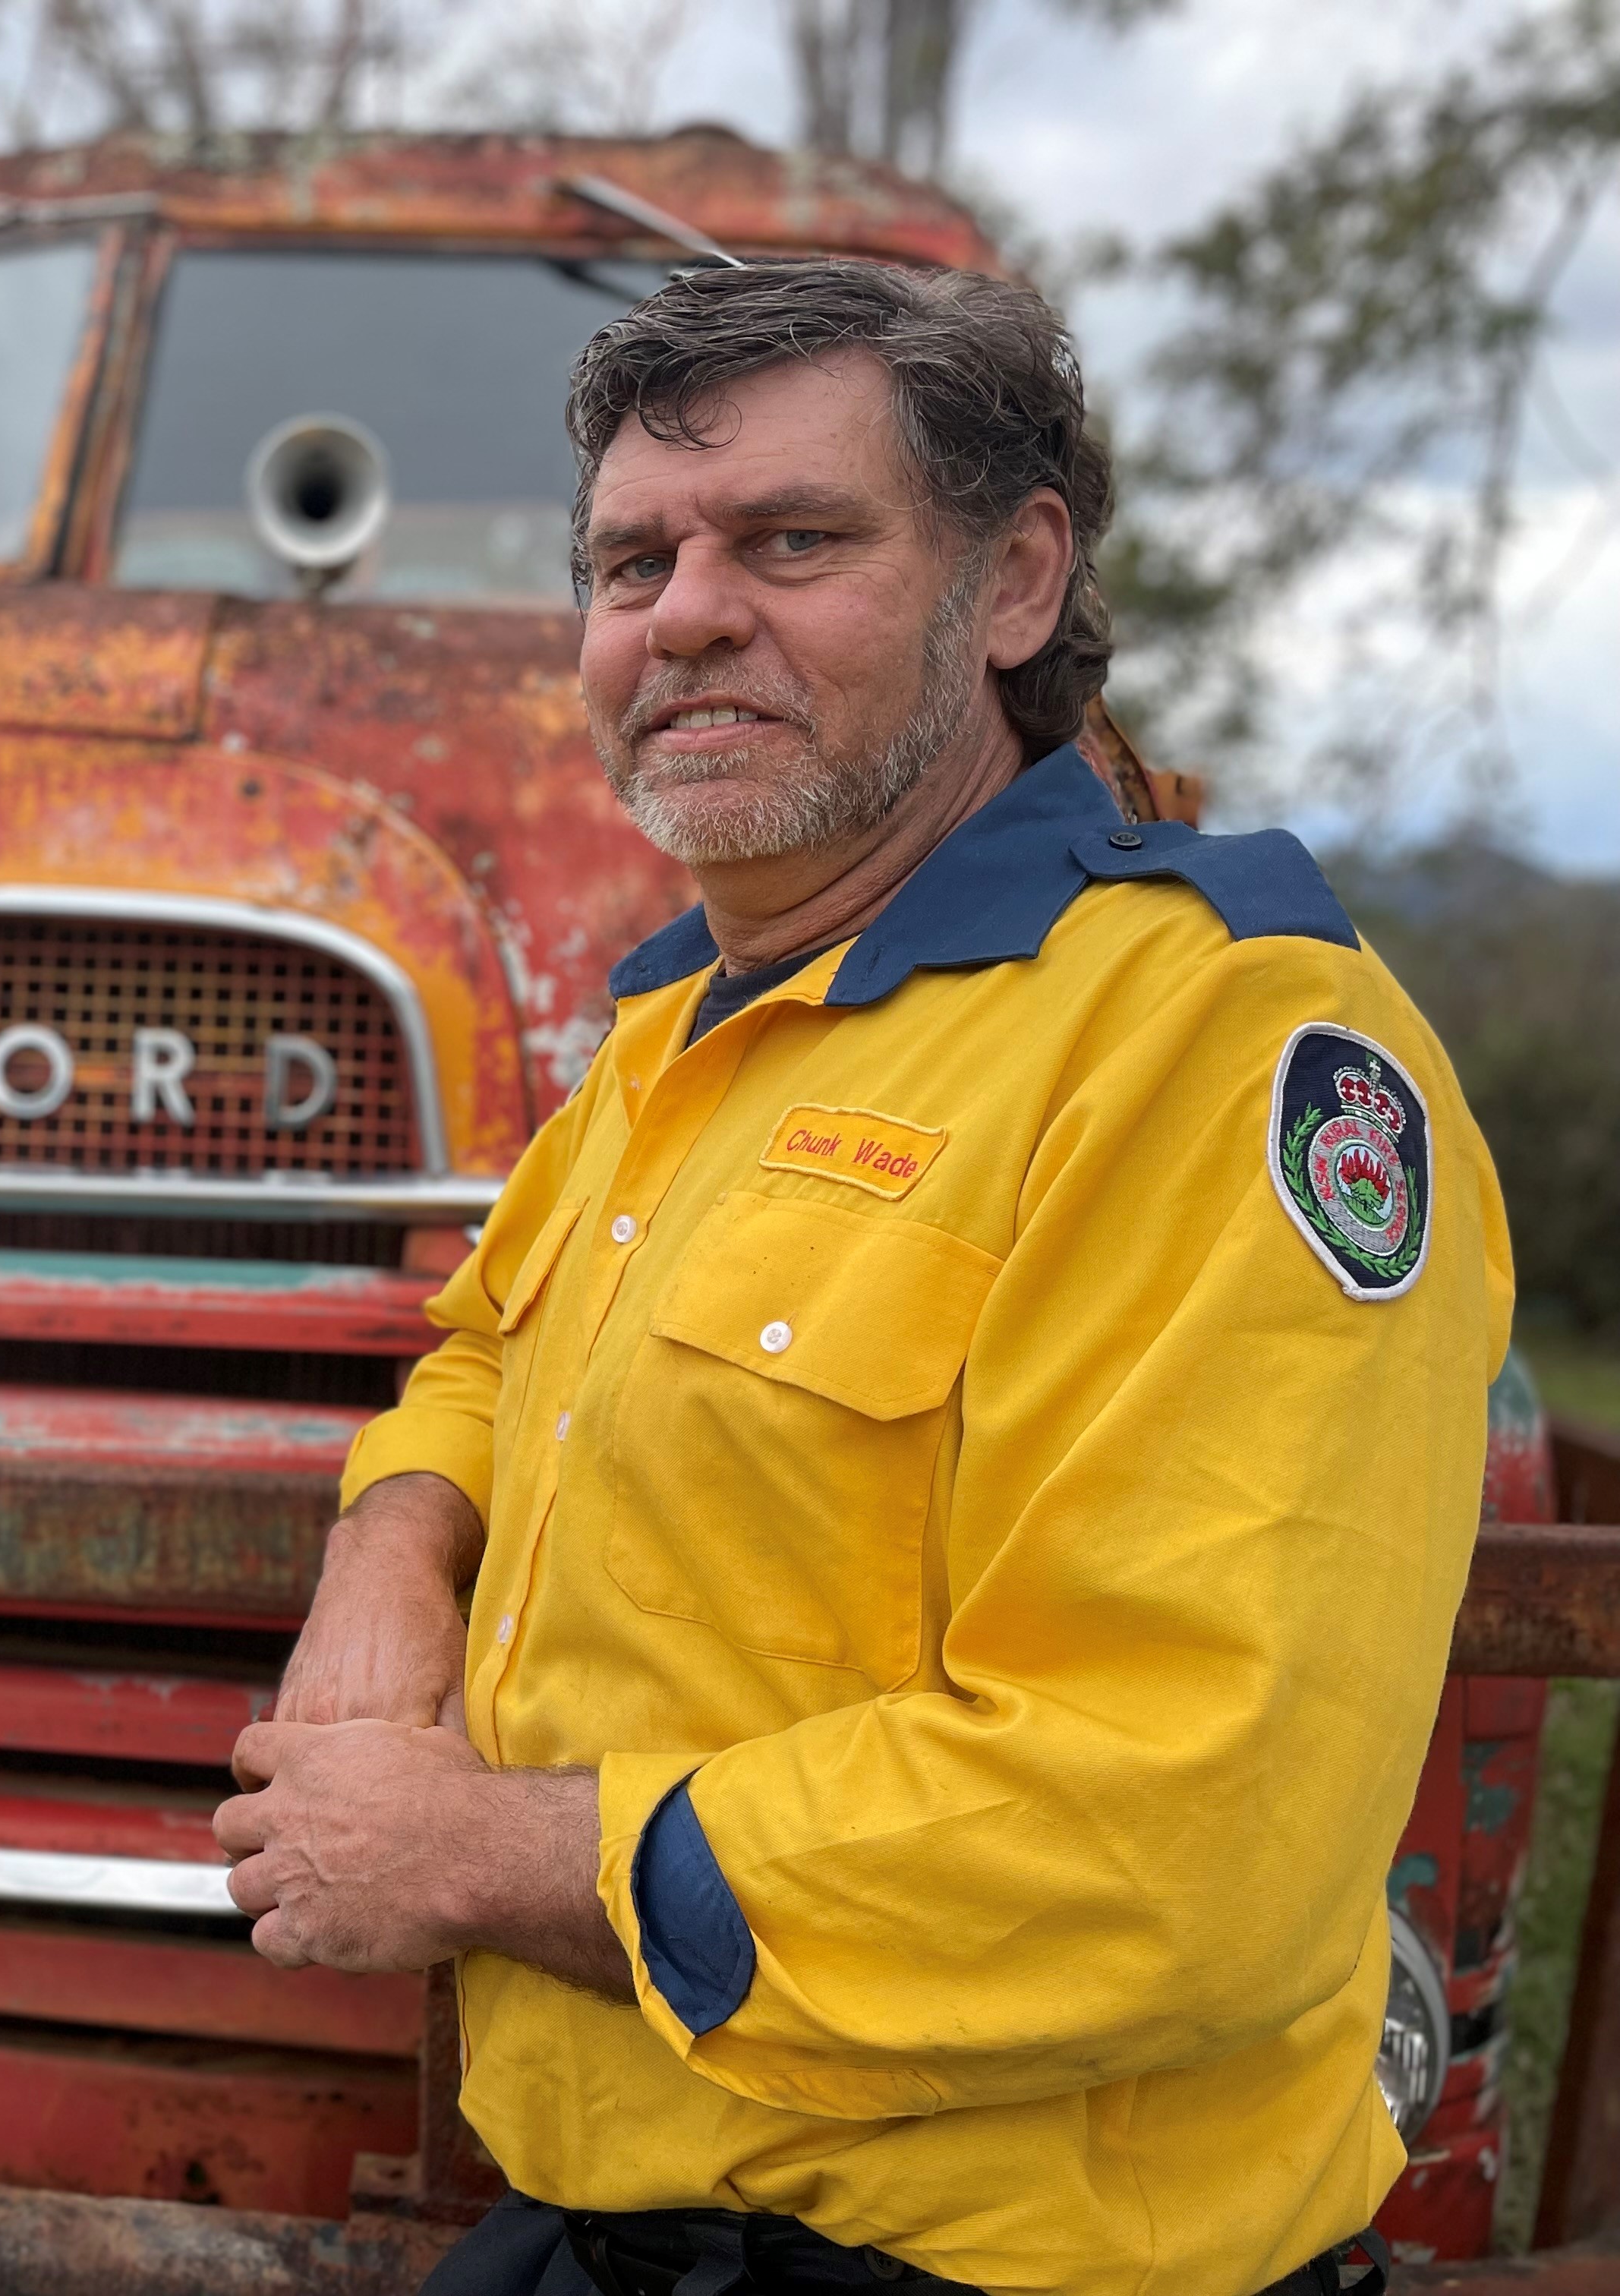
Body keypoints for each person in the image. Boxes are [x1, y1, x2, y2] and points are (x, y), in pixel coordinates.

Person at [213, 260, 1508, 2296]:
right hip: (598, 2228)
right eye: (631, 562)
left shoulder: (1216, 1051)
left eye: (793, 542)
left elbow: (1174, 1838)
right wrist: (394, 1543)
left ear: (1012, 587)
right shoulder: (679, 1035)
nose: (687, 612)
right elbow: (485, 1343)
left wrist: (470, 1850)